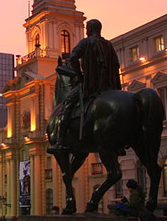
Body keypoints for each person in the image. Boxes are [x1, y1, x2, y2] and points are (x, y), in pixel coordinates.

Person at [51, 19, 121, 152]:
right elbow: (116, 65)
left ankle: (60, 141)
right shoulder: (108, 44)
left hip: (91, 84)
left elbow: (73, 57)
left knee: (67, 104)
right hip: (109, 85)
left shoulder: (86, 42)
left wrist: (80, 76)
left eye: (87, 28)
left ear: (90, 29)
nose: (86, 30)